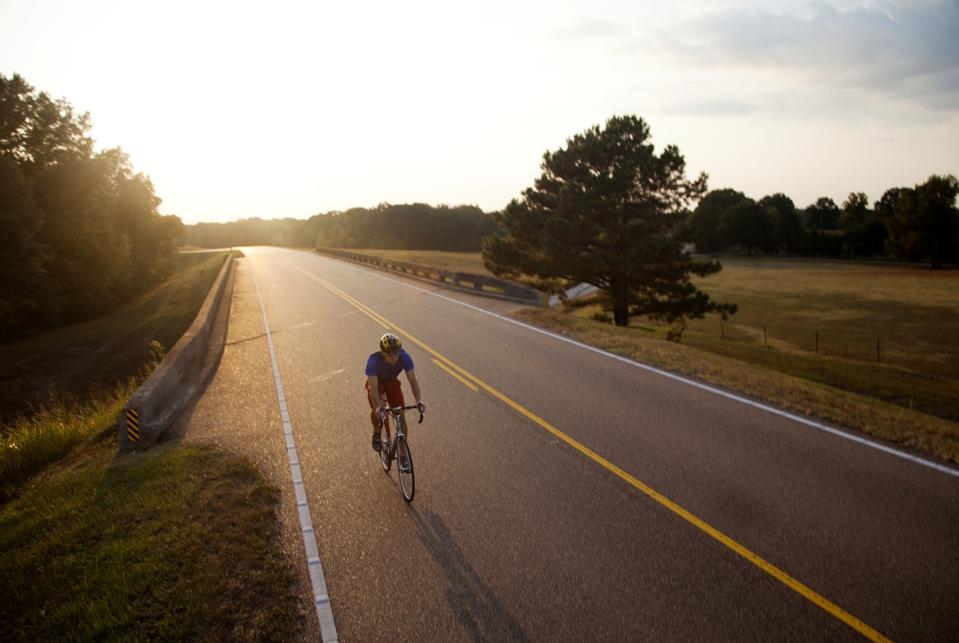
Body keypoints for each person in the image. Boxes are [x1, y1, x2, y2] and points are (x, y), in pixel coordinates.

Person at [365, 332, 425, 453]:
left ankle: (403, 454)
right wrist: (378, 406)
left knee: (400, 414)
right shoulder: (373, 361)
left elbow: (413, 381)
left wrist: (418, 400)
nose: (394, 358)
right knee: (377, 410)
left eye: (396, 354)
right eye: (390, 355)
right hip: (377, 385)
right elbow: (374, 388)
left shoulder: (405, 357)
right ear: (383, 354)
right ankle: (377, 432)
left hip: (392, 382)